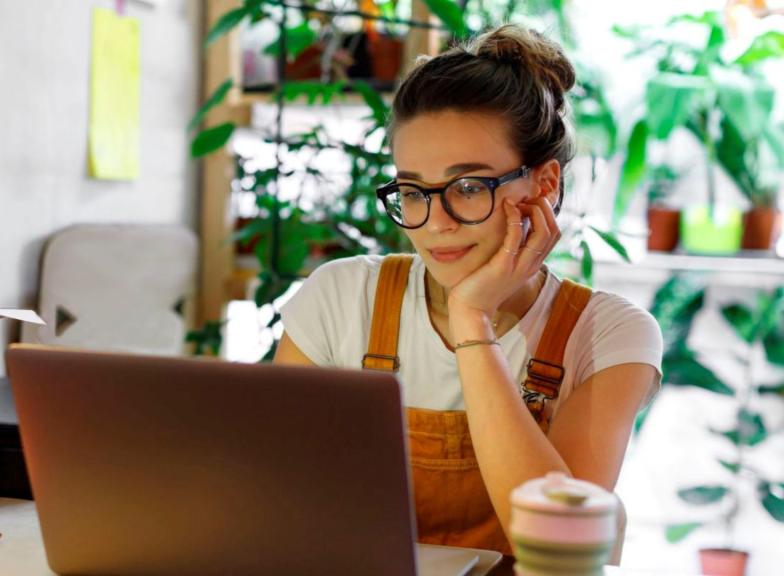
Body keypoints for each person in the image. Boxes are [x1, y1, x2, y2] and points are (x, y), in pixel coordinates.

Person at [274, 24, 663, 555]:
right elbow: (274, 501)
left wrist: (472, 323)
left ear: (543, 185)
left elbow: (562, 546)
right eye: (413, 191)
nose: (434, 222)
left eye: (468, 187)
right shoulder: (342, 297)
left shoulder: (608, 335)